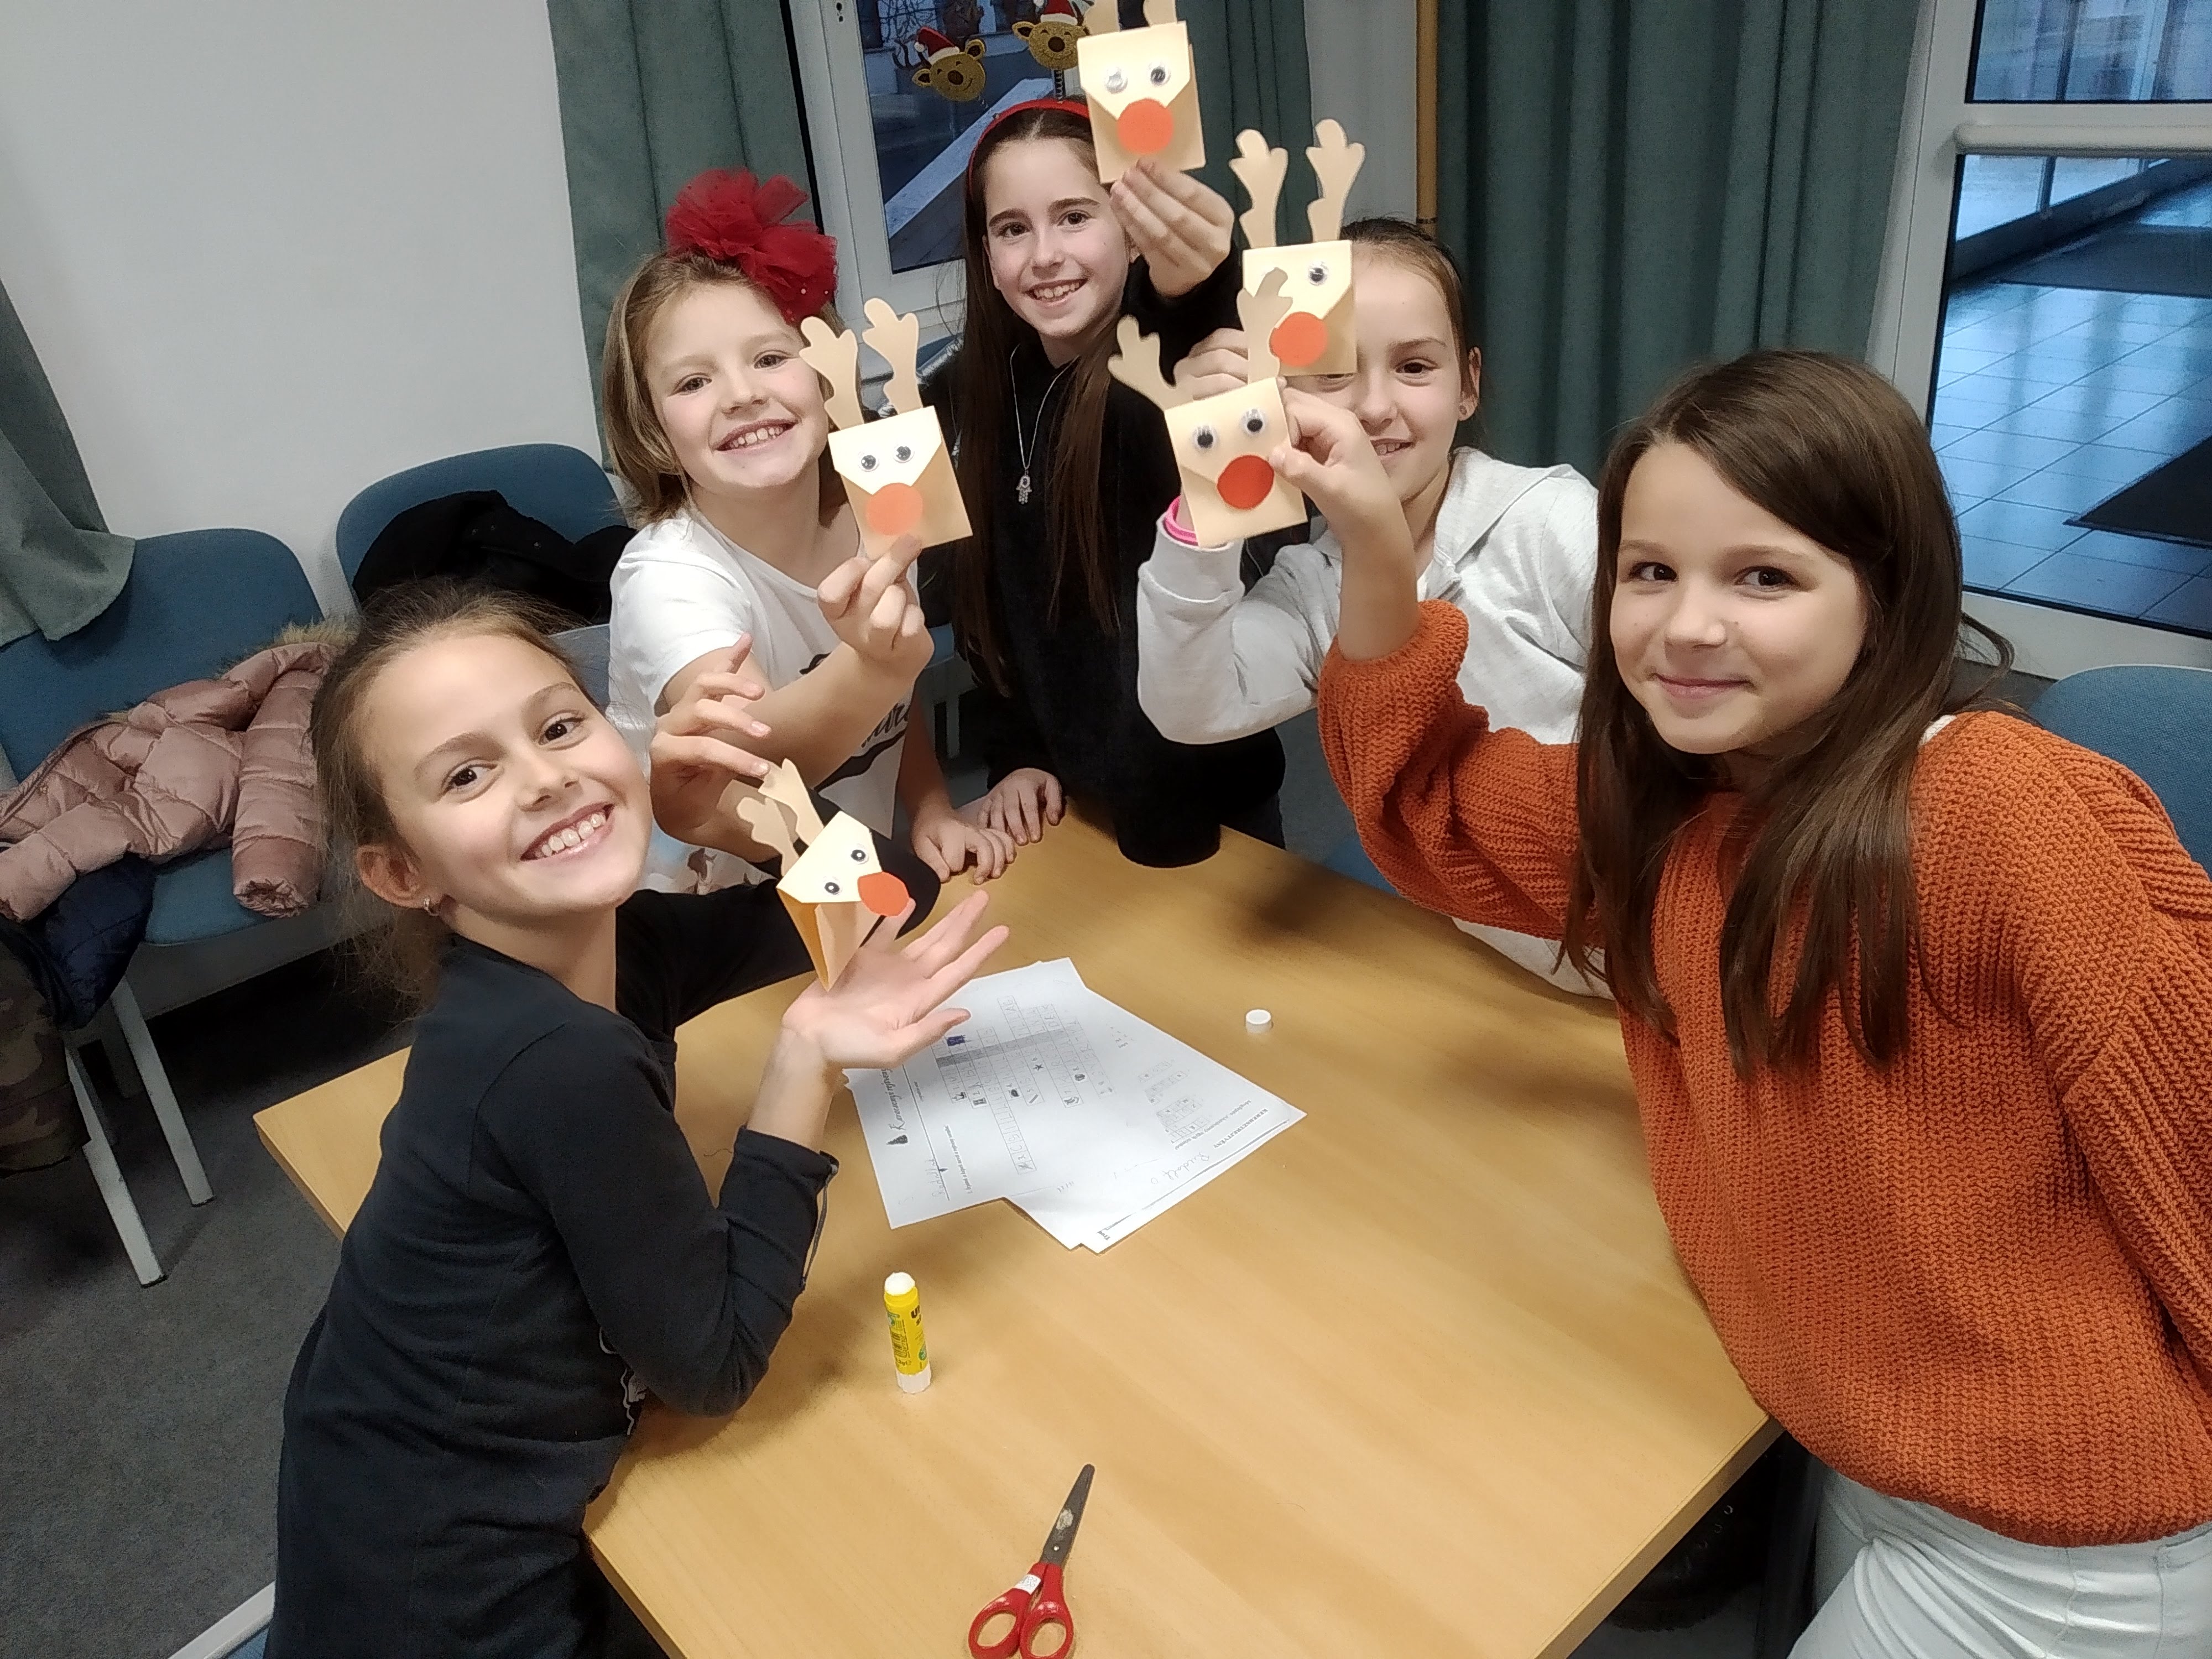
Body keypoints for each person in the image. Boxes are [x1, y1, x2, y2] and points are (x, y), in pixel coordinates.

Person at [1301, 350, 2212, 1655]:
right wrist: (1375, 551)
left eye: (1762, 577)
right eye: (1648, 571)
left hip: (2063, 1543)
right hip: (1875, 1453)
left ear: (1883, 595)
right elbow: (1427, 809)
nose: (1684, 626)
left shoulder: (2000, 815)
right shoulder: (1677, 812)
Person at [268, 582, 1006, 1659]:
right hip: (444, 1594)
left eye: (558, 727)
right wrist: (803, 1061)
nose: (544, 778)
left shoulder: (617, 949)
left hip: (396, 1475)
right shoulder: (549, 1056)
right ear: (401, 872)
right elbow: (712, 1366)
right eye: (467, 774)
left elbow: (894, 892)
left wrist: (731, 817)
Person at [1135, 217, 1601, 992]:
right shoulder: (1315, 583)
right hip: (1497, 963)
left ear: (1468, 384)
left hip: (1656, 953)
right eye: (1330, 373)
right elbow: (1190, 706)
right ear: (1279, 390)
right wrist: (1211, 492)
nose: (1375, 406)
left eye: (1414, 367)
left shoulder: (1551, 523)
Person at [601, 167, 1013, 893]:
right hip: (715, 912)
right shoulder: (666, 580)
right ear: (654, 428)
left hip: (855, 884)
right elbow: (759, 756)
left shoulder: (875, 508)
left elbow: (894, 690)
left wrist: (931, 806)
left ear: (827, 378)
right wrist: (875, 667)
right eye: (693, 382)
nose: (742, 394)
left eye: (770, 358)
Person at [926, 100, 1286, 864]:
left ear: (1132, 225)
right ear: (984, 251)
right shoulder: (978, 395)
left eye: (1075, 217)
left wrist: (1203, 284)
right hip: (1065, 805)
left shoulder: (1162, 379)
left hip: (1207, 813)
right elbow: (997, 608)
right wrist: (1017, 753)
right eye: (1012, 229)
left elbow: (1179, 327)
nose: (1044, 255)